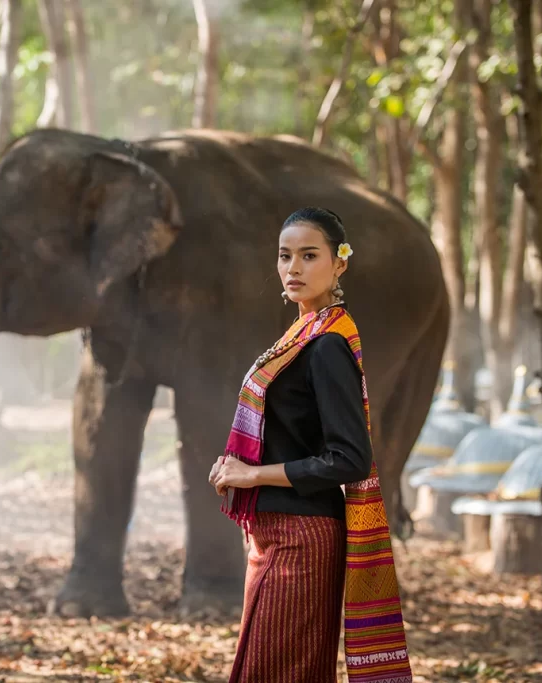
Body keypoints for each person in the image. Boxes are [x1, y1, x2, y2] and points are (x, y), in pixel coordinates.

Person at [208, 207, 413, 683]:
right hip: (276, 533)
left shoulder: (327, 345)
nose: (293, 268)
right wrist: (235, 465)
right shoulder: (299, 337)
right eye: (285, 256)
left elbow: (350, 458)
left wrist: (253, 474)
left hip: (302, 539)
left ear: (340, 264)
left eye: (308, 255)